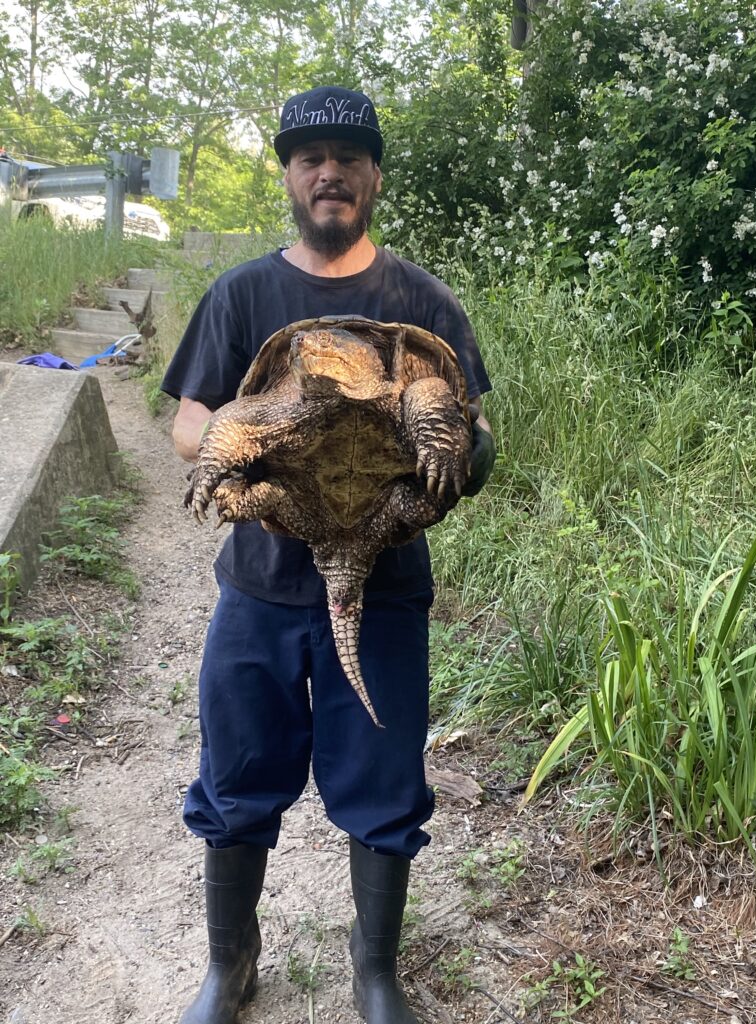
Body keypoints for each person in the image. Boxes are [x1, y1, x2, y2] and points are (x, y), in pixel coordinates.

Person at [162, 85, 496, 1024]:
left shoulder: (418, 300)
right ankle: (230, 966)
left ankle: (374, 966)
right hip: (262, 586)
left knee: (385, 782)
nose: (329, 172)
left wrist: (457, 452)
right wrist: (240, 446)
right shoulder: (242, 292)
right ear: (289, 176)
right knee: (236, 777)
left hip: (382, 579)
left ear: (374, 176)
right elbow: (194, 421)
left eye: (348, 157)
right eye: (310, 156)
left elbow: (466, 416)